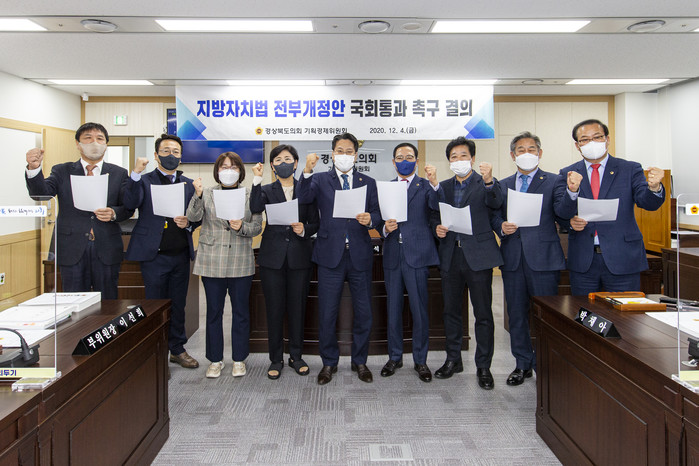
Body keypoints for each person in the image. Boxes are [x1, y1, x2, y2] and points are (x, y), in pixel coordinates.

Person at [296, 132, 381, 385]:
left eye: (349, 151)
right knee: (327, 313)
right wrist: (307, 170)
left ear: (356, 155)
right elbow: (303, 198)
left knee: (364, 312)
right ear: (332, 154)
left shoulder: (368, 182)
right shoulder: (320, 179)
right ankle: (329, 362)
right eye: (340, 151)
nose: (344, 155)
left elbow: (378, 212)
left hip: (359, 255)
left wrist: (371, 219)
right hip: (329, 255)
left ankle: (360, 361)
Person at [553, 119, 665, 295]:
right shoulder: (568, 172)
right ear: (577, 145)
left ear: (607, 139)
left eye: (597, 137)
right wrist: (572, 192)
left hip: (623, 257)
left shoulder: (629, 169)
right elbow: (561, 212)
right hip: (583, 259)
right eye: (585, 139)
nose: (592, 143)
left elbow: (647, 203)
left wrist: (655, 188)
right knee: (584, 310)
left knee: (626, 310)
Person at [25, 122, 133, 299]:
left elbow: (127, 207)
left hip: (106, 246)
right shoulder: (62, 170)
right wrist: (34, 168)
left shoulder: (119, 173)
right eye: (88, 138)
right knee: (73, 300)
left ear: (106, 144)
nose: (94, 142)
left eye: (100, 138)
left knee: (108, 300)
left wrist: (114, 213)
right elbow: (41, 194)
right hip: (71, 246)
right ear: (78, 144)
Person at [429, 136, 503, 390]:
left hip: (479, 256)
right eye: (454, 157)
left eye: (463, 156)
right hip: (451, 255)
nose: (458, 160)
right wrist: (437, 228)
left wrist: (490, 180)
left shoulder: (486, 183)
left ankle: (483, 366)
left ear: (472, 158)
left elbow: (496, 203)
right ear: (448, 161)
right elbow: (434, 214)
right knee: (450, 311)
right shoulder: (443, 187)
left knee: (482, 313)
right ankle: (453, 360)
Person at [492, 132, 565, 386]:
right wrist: (501, 226)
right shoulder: (503, 185)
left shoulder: (555, 181)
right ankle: (522, 364)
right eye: (520, 150)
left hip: (544, 259)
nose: (526, 154)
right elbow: (493, 216)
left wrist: (573, 194)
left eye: (531, 149)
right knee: (517, 314)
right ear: (512, 155)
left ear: (540, 153)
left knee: (545, 315)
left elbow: (563, 213)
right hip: (513, 258)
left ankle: (544, 363)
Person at [123, 134, 200, 369]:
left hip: (180, 254)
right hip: (153, 255)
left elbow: (197, 216)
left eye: (176, 152)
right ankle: (156, 354)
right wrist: (135, 173)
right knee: (154, 305)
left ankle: (177, 349)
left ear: (181, 157)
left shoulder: (188, 184)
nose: (171, 155)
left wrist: (189, 222)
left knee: (178, 304)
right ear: (156, 155)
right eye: (166, 151)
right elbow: (129, 204)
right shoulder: (144, 180)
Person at [186, 152, 262, 379]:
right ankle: (215, 359)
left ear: (241, 171)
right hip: (212, 260)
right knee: (213, 312)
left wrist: (241, 227)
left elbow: (257, 226)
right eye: (224, 167)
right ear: (217, 171)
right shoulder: (207, 193)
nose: (229, 171)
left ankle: (239, 359)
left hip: (240, 260)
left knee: (240, 313)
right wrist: (197, 194)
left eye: (234, 167)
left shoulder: (250, 194)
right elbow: (193, 217)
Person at [249, 144, 319, 380]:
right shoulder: (266, 189)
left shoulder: (306, 189)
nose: (283, 163)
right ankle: (276, 359)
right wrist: (256, 179)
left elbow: (315, 222)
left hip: (300, 257)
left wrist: (304, 230)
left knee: (298, 309)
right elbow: (255, 207)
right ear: (272, 166)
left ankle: (296, 356)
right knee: (274, 309)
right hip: (272, 259)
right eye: (278, 160)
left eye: (288, 159)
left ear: (296, 163)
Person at [377, 142, 439, 382]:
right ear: (393, 162)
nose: (405, 160)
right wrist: (384, 228)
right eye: (400, 157)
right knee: (393, 309)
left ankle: (420, 360)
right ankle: (394, 357)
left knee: (419, 311)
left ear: (417, 161)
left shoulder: (426, 186)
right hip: (393, 255)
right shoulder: (386, 188)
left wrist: (435, 184)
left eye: (409, 156)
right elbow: (377, 219)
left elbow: (436, 210)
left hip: (418, 255)